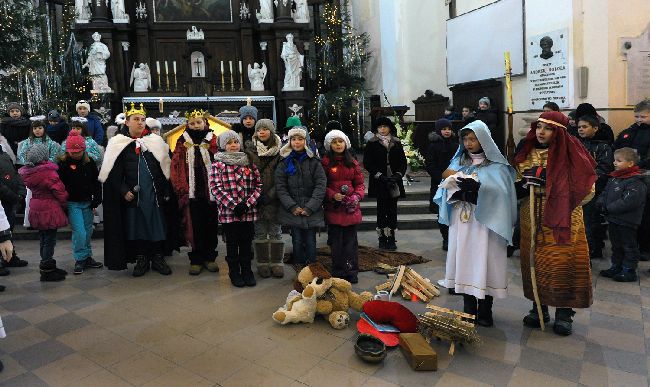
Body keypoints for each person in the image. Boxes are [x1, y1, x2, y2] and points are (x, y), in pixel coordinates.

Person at [514, 111, 596, 336]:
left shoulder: (573, 153)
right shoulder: (527, 150)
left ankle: (564, 313)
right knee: (534, 261)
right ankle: (538, 307)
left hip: (563, 217)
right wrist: (523, 184)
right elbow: (517, 179)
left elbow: (588, 190)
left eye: (547, 128)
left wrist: (552, 185)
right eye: (539, 126)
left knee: (561, 263)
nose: (541, 132)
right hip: (531, 213)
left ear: (558, 131)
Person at [434, 120, 517, 327]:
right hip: (462, 222)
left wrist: (480, 192)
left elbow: (504, 195)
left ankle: (486, 310)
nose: (468, 143)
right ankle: (469, 309)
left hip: (487, 225)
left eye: (473, 139)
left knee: (486, 262)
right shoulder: (458, 162)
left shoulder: (498, 167)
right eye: (466, 139)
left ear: (484, 140)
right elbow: (444, 184)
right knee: (465, 261)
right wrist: (457, 190)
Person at [99, 103, 173, 276]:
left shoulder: (155, 141)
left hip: (154, 195)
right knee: (137, 227)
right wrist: (124, 190)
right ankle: (142, 258)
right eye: (136, 120)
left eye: (142, 120)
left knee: (156, 226)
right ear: (127, 123)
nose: (140, 123)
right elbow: (112, 174)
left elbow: (165, 168)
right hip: (134, 197)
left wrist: (165, 190)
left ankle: (157, 257)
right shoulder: (118, 143)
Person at [209, 130, 261, 287]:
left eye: (236, 142)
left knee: (246, 244)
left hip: (247, 212)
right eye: (230, 143)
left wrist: (247, 203)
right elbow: (215, 188)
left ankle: (247, 271)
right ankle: (234, 272)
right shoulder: (218, 165)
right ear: (224, 146)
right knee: (232, 244)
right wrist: (233, 205)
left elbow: (258, 185)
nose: (233, 145)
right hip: (228, 214)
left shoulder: (249, 163)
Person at [170, 109, 220, 276]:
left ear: (205, 123)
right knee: (194, 225)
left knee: (211, 224)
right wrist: (180, 187)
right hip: (191, 192)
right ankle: (196, 259)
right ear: (187, 125)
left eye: (199, 122)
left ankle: (210, 257)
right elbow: (176, 164)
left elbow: (220, 159)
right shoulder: (182, 141)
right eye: (192, 123)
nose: (196, 126)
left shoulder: (213, 139)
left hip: (210, 191)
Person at [275, 126, 326, 266]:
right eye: (293, 139)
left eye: (300, 139)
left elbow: (320, 185)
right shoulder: (284, 162)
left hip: (311, 210)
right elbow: (281, 187)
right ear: (289, 141)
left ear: (306, 141)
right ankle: (299, 266)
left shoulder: (314, 162)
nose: (297, 142)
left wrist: (310, 207)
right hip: (293, 210)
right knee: (296, 239)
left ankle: (312, 266)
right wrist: (292, 206)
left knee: (310, 240)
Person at [19, 144, 69, 282]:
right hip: (49, 208)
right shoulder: (48, 173)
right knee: (50, 239)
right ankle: (47, 269)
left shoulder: (29, 172)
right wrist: (65, 204)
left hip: (35, 205)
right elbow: (60, 191)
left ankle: (47, 264)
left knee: (43, 237)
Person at [597, 148, 647, 282]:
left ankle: (629, 270)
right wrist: (601, 202)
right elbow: (605, 193)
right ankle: (616, 267)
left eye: (618, 161)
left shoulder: (636, 181)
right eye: (614, 160)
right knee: (616, 245)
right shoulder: (615, 178)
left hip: (627, 221)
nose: (614, 163)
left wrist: (609, 208)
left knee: (628, 246)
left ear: (630, 164)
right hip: (613, 219)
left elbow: (629, 201)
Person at [322, 130, 364, 284]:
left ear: (345, 143)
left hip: (350, 210)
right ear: (329, 145)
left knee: (350, 244)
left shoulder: (352, 162)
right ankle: (338, 271)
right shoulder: (325, 162)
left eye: (340, 141)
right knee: (336, 244)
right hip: (334, 209)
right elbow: (322, 185)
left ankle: (351, 270)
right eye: (334, 142)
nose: (338, 144)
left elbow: (359, 184)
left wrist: (357, 196)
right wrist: (333, 195)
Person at [58, 132, 103, 275]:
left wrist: (97, 198)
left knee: (88, 231)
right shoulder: (63, 165)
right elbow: (60, 185)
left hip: (87, 202)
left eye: (78, 152)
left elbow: (96, 183)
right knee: (80, 232)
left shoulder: (89, 163)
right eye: (72, 152)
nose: (75, 154)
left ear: (83, 150)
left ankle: (87, 256)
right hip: (72, 203)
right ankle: (79, 258)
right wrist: (63, 203)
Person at [363, 117, 407, 250]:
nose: (382, 129)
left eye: (385, 126)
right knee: (381, 210)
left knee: (392, 210)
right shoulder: (372, 143)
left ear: (389, 128)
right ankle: (382, 237)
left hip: (394, 181)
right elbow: (368, 163)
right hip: (379, 181)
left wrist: (398, 175)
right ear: (376, 129)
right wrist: (379, 175)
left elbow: (402, 162)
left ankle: (392, 237)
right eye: (380, 127)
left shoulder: (396, 142)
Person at [614, 99, 650, 259]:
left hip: (645, 174)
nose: (639, 120)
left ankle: (646, 248)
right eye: (636, 116)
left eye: (643, 117)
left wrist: (640, 164)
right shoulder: (630, 130)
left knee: (646, 213)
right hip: (628, 175)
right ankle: (632, 245)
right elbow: (619, 146)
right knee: (632, 211)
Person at [248, 119, 285, 278]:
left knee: (276, 232)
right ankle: (262, 263)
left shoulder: (280, 151)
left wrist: (271, 194)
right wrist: (255, 194)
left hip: (275, 198)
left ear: (271, 131)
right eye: (259, 129)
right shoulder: (249, 150)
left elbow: (282, 176)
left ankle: (277, 263)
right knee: (260, 232)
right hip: (256, 199)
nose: (262, 132)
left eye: (265, 129)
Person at [577, 115, 613, 259]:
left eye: (584, 127)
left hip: (594, 190)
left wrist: (587, 180)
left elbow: (604, 169)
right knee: (580, 222)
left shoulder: (603, 147)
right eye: (579, 127)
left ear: (595, 128)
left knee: (591, 221)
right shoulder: (575, 144)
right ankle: (583, 249)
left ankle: (592, 249)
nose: (581, 129)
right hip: (577, 189)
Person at [424, 118, 459, 251]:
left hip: (455, 182)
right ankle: (446, 238)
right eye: (444, 129)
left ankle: (455, 237)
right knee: (442, 212)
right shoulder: (433, 146)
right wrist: (442, 179)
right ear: (439, 130)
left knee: (455, 211)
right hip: (440, 184)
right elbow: (430, 165)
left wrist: (455, 176)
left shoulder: (456, 145)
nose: (447, 131)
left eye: (449, 129)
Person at [0, 143, 26, 273]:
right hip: (4, 200)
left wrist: (21, 191)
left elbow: (15, 173)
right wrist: (12, 196)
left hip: (10, 201)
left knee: (9, 229)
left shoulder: (4, 154)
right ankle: (2, 260)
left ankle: (10, 257)